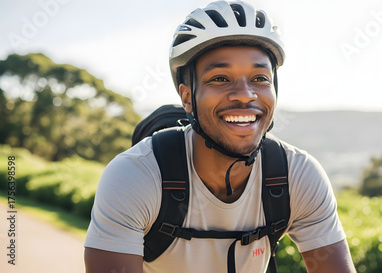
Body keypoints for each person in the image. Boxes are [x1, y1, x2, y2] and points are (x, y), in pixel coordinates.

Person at [84, 1, 356, 272]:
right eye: (220, 79)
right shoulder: (135, 176)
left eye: (260, 78)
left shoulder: (297, 175)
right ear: (187, 98)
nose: (245, 94)